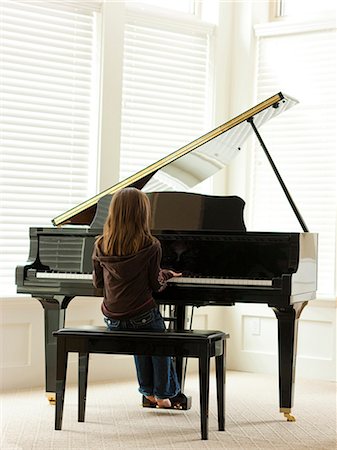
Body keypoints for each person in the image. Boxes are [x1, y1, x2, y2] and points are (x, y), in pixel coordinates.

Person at [92, 187, 182, 408]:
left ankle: (148, 392)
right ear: (142, 213)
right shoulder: (151, 245)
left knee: (142, 341)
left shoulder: (101, 243)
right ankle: (163, 394)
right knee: (160, 341)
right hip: (142, 316)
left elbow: (97, 284)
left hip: (112, 319)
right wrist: (167, 274)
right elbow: (155, 284)